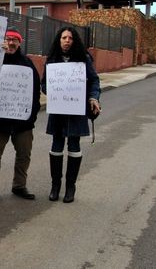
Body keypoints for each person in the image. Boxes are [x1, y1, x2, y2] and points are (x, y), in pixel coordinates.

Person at [0, 28, 41, 202]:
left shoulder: (27, 63)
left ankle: (19, 185)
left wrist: (32, 114)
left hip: (23, 121)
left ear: (20, 43)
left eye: (15, 39)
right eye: (8, 39)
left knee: (24, 154)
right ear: (3, 41)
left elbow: (36, 90)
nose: (11, 42)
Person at [41, 27, 101, 203]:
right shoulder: (52, 60)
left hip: (76, 110)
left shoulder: (84, 59)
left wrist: (93, 98)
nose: (67, 40)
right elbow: (44, 84)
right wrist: (51, 90)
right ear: (59, 40)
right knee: (56, 146)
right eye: (64, 37)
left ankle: (70, 187)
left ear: (75, 41)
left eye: (70, 38)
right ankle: (55, 186)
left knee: (74, 146)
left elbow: (94, 80)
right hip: (59, 110)